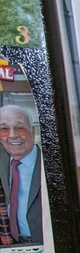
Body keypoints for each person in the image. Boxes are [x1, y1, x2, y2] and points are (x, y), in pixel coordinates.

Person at [0, 105, 43, 245]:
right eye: (4, 129)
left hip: (47, 246)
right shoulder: (3, 165)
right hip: (12, 245)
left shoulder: (49, 165)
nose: (12, 135)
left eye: (20, 128)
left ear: (32, 131)